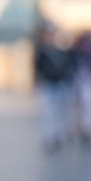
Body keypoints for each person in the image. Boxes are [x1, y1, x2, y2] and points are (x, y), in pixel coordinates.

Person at [34, 21, 76, 152]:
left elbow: (69, 65)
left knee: (60, 110)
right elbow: (38, 67)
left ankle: (58, 134)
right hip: (49, 83)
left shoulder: (61, 50)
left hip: (61, 83)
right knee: (49, 111)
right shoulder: (42, 50)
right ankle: (49, 136)